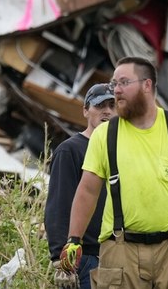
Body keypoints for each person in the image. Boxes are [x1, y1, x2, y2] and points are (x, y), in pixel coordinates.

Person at [60, 56, 168, 288]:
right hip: (120, 251)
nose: (116, 90)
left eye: (124, 82)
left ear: (147, 85)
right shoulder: (105, 135)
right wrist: (73, 239)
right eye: (114, 84)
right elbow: (87, 190)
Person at [46, 84, 117, 289]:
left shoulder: (121, 151)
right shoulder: (70, 150)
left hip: (118, 255)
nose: (107, 111)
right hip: (84, 258)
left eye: (112, 105)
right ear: (86, 110)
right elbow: (58, 207)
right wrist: (61, 259)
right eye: (100, 105)